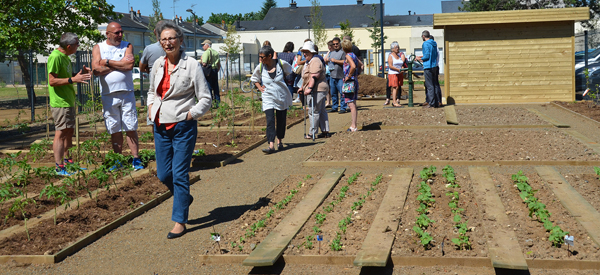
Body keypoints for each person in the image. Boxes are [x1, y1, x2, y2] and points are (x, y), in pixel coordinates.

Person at [147, 21, 212, 239]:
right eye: (163, 39)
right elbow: (151, 92)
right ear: (159, 42)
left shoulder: (192, 65)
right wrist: (149, 108)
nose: (168, 42)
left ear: (180, 40)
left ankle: (179, 221)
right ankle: (184, 198)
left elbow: (205, 98)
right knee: (164, 173)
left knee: (180, 173)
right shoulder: (157, 64)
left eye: (172, 38)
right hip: (160, 125)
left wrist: (190, 114)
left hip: (183, 125)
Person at [92, 22, 143, 170]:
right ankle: (118, 159)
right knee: (114, 128)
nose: (120, 35)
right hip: (109, 94)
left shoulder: (127, 46)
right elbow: (96, 70)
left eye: (121, 32)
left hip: (127, 93)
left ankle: (136, 158)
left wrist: (107, 62)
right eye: (116, 33)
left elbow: (128, 66)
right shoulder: (99, 47)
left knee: (131, 126)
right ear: (108, 34)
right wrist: (119, 64)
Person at [48, 33, 91, 176]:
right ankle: (59, 167)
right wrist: (73, 80)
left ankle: (68, 162)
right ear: (68, 46)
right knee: (60, 133)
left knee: (68, 132)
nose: (78, 47)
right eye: (77, 44)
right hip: (60, 103)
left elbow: (65, 77)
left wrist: (77, 74)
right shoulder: (55, 57)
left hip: (68, 100)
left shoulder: (65, 57)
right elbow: (52, 81)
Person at [250, 45, 293, 154]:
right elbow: (254, 78)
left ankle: (280, 140)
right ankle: (271, 145)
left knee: (281, 120)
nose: (260, 59)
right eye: (259, 57)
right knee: (270, 120)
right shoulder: (260, 67)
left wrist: (280, 81)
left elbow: (289, 71)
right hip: (268, 96)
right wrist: (259, 87)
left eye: (262, 57)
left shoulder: (281, 64)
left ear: (270, 56)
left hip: (281, 96)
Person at [298, 41, 330, 139]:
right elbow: (306, 77)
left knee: (313, 111)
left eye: (306, 51)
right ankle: (325, 131)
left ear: (312, 52)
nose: (304, 54)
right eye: (303, 51)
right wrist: (302, 87)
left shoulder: (315, 60)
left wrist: (309, 88)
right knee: (321, 110)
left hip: (318, 88)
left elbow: (314, 76)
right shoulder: (308, 62)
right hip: (316, 88)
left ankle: (312, 133)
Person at [140, 20, 167, 129]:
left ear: (155, 32)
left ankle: (158, 145)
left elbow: (141, 67)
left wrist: (150, 70)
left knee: (154, 122)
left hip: (156, 89)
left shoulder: (149, 49)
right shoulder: (176, 48)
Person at [416, 30, 442, 108]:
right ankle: (437, 102)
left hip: (428, 66)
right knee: (435, 85)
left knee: (429, 85)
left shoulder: (425, 44)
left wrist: (419, 59)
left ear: (423, 36)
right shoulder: (434, 44)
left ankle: (431, 103)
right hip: (434, 66)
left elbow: (427, 56)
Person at [341, 39, 359, 132]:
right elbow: (360, 64)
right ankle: (354, 124)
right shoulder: (353, 55)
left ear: (343, 48)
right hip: (355, 81)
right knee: (353, 104)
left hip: (350, 82)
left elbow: (353, 66)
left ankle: (353, 126)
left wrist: (349, 75)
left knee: (351, 104)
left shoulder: (348, 56)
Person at [326, 37, 348, 114]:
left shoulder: (343, 52)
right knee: (333, 93)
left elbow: (345, 62)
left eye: (337, 44)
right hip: (332, 76)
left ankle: (343, 108)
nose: (335, 45)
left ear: (340, 43)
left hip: (340, 76)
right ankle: (334, 107)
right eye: (334, 44)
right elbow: (329, 62)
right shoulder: (332, 53)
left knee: (342, 93)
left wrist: (335, 61)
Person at [201, 39, 221, 107]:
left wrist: (201, 59)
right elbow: (219, 64)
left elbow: (204, 63)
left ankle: (210, 104)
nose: (202, 47)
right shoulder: (216, 52)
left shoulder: (206, 52)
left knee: (208, 87)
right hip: (215, 70)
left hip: (208, 71)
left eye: (203, 45)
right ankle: (218, 103)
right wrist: (216, 71)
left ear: (207, 45)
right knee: (216, 87)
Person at [386, 41, 406, 107]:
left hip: (399, 73)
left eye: (397, 47)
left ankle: (396, 100)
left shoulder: (399, 56)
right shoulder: (390, 56)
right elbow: (390, 66)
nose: (397, 48)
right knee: (395, 87)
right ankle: (394, 102)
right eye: (395, 47)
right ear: (392, 49)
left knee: (398, 87)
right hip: (393, 73)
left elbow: (401, 63)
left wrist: (402, 68)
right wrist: (398, 69)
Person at [323, 40, 334, 107]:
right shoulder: (329, 52)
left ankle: (333, 102)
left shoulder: (335, 53)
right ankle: (328, 102)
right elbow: (325, 59)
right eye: (328, 46)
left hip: (332, 73)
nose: (329, 48)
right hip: (327, 72)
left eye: (330, 46)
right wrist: (328, 52)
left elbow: (329, 60)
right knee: (327, 88)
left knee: (332, 88)